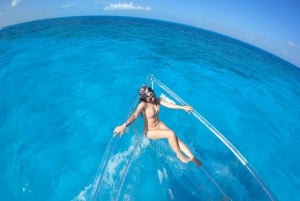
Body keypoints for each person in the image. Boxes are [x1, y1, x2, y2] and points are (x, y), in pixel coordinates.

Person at [113, 85, 201, 166]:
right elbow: (135, 115)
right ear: (144, 99)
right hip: (150, 130)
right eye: (149, 98)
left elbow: (168, 105)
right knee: (171, 133)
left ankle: (192, 157)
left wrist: (183, 107)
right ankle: (179, 155)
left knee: (175, 138)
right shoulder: (143, 105)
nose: (152, 99)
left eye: (153, 95)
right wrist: (124, 125)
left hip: (159, 124)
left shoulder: (155, 99)